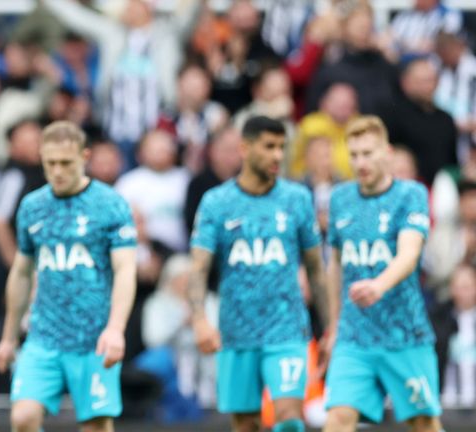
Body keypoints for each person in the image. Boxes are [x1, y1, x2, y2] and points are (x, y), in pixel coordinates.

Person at [189, 115, 335, 432]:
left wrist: (329, 327)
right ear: (244, 148)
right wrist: (200, 320)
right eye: (269, 147)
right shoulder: (217, 202)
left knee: (289, 416)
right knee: (246, 423)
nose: (277, 156)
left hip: (287, 328)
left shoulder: (297, 199)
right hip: (236, 329)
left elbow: (316, 270)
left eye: (282, 147)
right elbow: (198, 267)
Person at [0, 121, 137, 432]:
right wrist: (8, 337)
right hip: (44, 337)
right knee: (23, 418)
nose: (57, 171)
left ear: (84, 157)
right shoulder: (32, 207)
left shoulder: (110, 204)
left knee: (96, 425)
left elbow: (126, 269)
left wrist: (115, 329)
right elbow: (21, 272)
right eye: (50, 163)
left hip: (94, 338)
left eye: (66, 163)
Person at [322, 116, 441, 432]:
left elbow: (410, 253)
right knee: (337, 420)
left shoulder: (410, 194)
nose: (360, 162)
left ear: (386, 152)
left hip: (405, 335)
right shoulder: (340, 198)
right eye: (354, 154)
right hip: (354, 336)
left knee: (424, 423)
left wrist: (378, 285)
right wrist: (333, 326)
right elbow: (335, 264)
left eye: (368, 153)